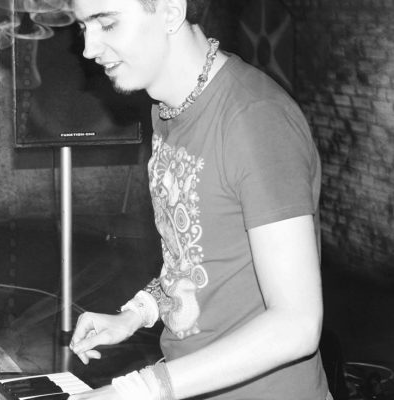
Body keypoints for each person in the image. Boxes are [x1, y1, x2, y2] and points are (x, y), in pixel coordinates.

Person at [67, 0, 330, 399]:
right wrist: (137, 313)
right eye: (83, 27)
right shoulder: (168, 108)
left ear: (171, 11)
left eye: (107, 24)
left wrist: (135, 391)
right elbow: (192, 258)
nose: (89, 48)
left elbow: (298, 325)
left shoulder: (255, 119)